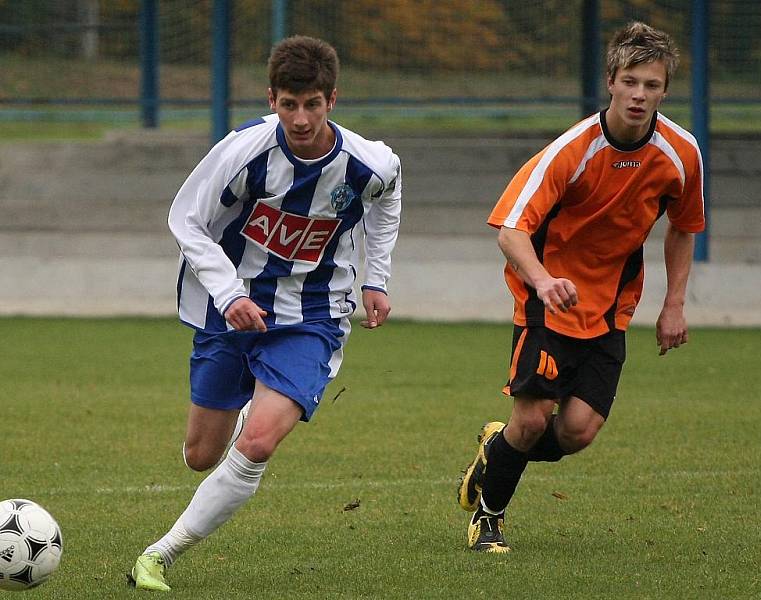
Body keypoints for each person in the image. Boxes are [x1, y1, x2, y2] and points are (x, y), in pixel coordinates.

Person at [128, 35, 401, 591]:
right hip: (228, 312)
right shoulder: (243, 152)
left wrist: (376, 278)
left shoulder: (366, 163)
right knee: (202, 456)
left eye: (313, 104)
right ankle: (239, 427)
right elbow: (186, 220)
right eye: (288, 104)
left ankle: (158, 555)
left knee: (257, 444)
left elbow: (389, 195)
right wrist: (230, 294)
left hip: (314, 315)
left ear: (332, 100)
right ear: (271, 98)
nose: (300, 119)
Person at [456, 21, 705, 553]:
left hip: (611, 307)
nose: (640, 95)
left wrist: (674, 304)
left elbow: (684, 227)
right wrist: (543, 282)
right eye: (631, 81)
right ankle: (489, 517)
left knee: (576, 433)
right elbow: (511, 230)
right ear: (611, 81)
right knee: (530, 421)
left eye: (653, 85)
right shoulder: (572, 150)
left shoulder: (681, 154)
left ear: (665, 90)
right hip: (546, 304)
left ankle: (495, 451)